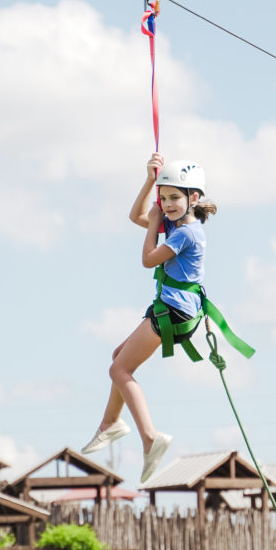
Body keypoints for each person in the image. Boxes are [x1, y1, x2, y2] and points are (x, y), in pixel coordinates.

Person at [81, 152, 216, 483]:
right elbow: (135, 216)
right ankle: (110, 424)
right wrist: (149, 181)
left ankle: (150, 437)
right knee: (118, 358)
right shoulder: (177, 225)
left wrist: (156, 222)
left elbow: (147, 259)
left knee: (119, 369)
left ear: (193, 198)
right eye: (164, 198)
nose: (167, 204)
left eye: (174, 198)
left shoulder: (186, 233)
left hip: (174, 312)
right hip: (171, 307)